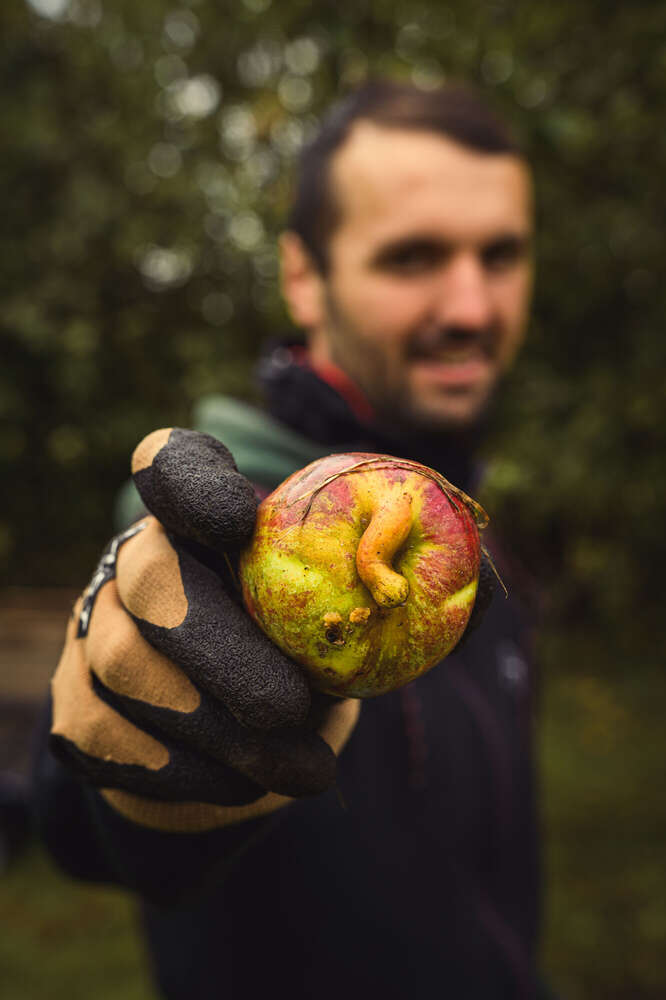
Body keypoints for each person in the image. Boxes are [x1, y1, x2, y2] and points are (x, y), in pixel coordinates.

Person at [34, 80, 549, 999]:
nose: (472, 306)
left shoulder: (473, 529)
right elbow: (102, 796)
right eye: (413, 258)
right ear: (305, 277)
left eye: (501, 254)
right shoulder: (227, 534)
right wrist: (126, 786)